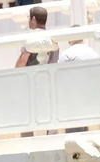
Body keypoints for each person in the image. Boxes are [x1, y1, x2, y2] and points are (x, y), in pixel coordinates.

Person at [16, 6, 57, 137]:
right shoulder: (53, 37)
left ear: (33, 19)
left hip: (31, 81)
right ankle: (52, 139)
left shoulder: (31, 37)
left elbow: (23, 60)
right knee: (50, 113)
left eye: (29, 18)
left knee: (26, 115)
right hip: (50, 79)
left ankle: (27, 143)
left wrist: (16, 70)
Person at [59, 28, 97, 133]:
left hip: (72, 96)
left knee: (73, 128)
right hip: (90, 95)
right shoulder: (93, 52)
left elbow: (60, 75)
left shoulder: (67, 53)